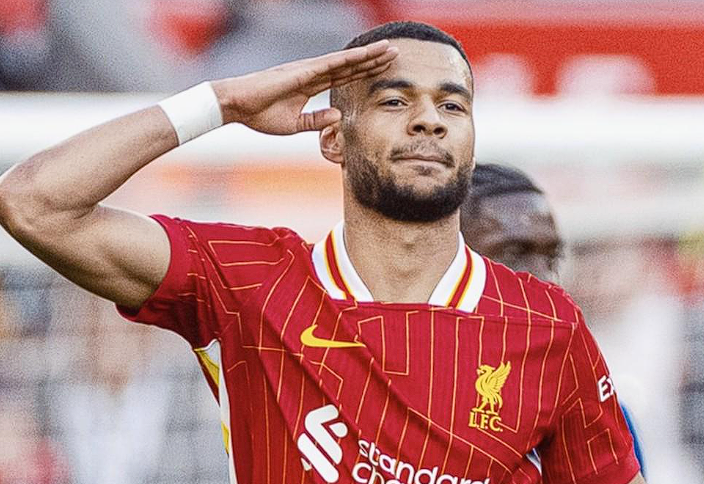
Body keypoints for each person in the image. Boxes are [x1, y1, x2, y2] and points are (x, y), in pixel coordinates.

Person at [0, 21, 645, 484]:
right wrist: (221, 103)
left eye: (453, 104)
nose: (429, 119)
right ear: (333, 138)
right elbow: (33, 203)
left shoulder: (549, 323)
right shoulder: (250, 281)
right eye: (394, 100)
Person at [460, 162, 647, 475]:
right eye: (513, 255)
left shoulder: (603, 420)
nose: (546, 281)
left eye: (552, 260)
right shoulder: (397, 404)